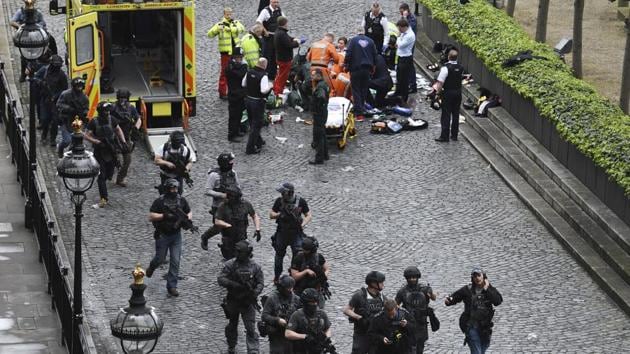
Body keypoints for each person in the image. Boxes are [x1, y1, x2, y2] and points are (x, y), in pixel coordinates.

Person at [145, 178, 192, 297]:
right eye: (172, 188)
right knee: (160, 259)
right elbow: (151, 216)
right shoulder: (159, 201)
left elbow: (189, 211)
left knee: (176, 260)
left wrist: (187, 219)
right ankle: (151, 267)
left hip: (176, 235)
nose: (174, 190)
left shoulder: (181, 200)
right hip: (163, 234)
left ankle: (172, 286)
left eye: (176, 188)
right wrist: (164, 216)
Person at [217, 240, 264, 354]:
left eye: (240, 252)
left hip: (248, 302)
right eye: (237, 252)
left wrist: (255, 292)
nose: (237, 254)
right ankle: (231, 345)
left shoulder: (255, 267)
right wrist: (233, 284)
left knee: (250, 327)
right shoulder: (230, 264)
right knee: (232, 325)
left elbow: (260, 283)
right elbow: (221, 279)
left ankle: (253, 350)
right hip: (233, 300)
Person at [445, 267, 503, 354]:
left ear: (484, 277)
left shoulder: (490, 289)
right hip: (471, 326)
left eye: (479, 275)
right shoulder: (467, 290)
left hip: (485, 327)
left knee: (483, 348)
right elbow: (454, 297)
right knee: (477, 351)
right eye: (474, 276)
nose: (477, 278)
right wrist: (449, 301)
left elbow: (497, 301)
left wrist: (487, 289)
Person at [84, 102, 127, 208]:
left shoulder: (112, 119)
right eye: (105, 111)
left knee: (109, 174)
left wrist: (123, 142)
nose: (107, 113)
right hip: (100, 151)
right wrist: (96, 141)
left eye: (108, 111)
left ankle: (107, 179)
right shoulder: (93, 122)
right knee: (101, 177)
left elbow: (118, 129)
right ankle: (104, 199)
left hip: (111, 150)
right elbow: (87, 135)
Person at [270, 182, 312, 282]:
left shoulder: (300, 201)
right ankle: (277, 277)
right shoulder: (279, 201)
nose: (281, 195)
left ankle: (293, 277)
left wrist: (302, 224)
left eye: (283, 192)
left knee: (297, 255)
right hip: (282, 232)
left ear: (288, 193)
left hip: (296, 233)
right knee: (279, 256)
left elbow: (308, 215)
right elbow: (271, 214)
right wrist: (279, 215)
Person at [201, 152, 241, 250]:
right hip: (218, 206)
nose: (232, 164)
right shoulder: (214, 175)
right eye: (230, 162)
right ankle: (205, 237)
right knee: (218, 227)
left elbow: (237, 186)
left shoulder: (233, 173)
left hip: (231, 205)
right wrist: (222, 195)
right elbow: (207, 190)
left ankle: (229, 246)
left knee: (232, 226)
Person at [10, 0, 57, 82]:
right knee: (23, 56)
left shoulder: (38, 13)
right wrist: (21, 27)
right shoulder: (20, 12)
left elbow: (43, 23)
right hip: (25, 36)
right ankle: (23, 74)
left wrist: (36, 27)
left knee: (50, 41)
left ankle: (53, 60)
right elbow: (12, 21)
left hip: (37, 35)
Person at [343, 271, 387, 354]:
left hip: (375, 334)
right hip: (361, 333)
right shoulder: (359, 295)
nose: (383, 284)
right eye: (381, 282)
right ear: (373, 283)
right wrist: (358, 317)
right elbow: (346, 310)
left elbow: (390, 308)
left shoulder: (381, 297)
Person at [395, 266, 437, 353]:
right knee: (411, 348)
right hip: (408, 323)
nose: (412, 279)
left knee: (420, 348)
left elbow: (434, 297)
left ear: (417, 277)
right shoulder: (402, 291)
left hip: (421, 324)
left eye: (414, 277)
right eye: (410, 278)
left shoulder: (424, 289)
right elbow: (395, 306)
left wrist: (431, 294)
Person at [207, 7, 246, 99]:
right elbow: (209, 34)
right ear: (224, 14)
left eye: (230, 14)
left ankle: (235, 90)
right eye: (227, 14)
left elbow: (242, 29)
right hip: (225, 53)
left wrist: (231, 30)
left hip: (236, 52)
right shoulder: (219, 24)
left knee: (238, 71)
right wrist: (217, 30)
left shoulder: (235, 23)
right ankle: (222, 92)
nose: (229, 16)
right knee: (224, 72)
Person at [214, 186, 261, 260]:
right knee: (229, 259)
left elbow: (254, 216)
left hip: (241, 236)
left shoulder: (245, 204)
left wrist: (257, 229)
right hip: (228, 237)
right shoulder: (223, 206)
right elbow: (217, 221)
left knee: (244, 257)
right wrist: (227, 225)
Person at [285, 288, 333, 354]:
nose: (314, 304)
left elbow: (328, 328)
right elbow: (288, 333)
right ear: (305, 303)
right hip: (302, 350)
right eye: (311, 302)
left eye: (315, 302)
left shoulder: (322, 314)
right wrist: (305, 336)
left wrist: (326, 338)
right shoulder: (297, 315)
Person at [261, 274, 301, 353]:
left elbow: (302, 314)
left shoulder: (296, 299)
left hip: (291, 333)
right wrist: (277, 320)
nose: (290, 290)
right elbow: (264, 316)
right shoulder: (272, 298)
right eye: (287, 288)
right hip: (276, 333)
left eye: (291, 287)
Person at [344, 28, 377, 122]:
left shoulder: (353, 41)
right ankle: (361, 108)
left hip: (355, 68)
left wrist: (346, 64)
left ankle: (359, 114)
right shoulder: (370, 41)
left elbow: (348, 54)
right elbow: (375, 55)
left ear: (356, 33)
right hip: (367, 69)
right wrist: (373, 67)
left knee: (356, 90)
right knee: (364, 89)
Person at [34, 54, 66, 147]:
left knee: (55, 121)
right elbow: (35, 77)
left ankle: (52, 138)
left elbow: (64, 89)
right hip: (45, 99)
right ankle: (44, 134)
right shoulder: (45, 70)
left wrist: (56, 96)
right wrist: (41, 82)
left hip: (56, 102)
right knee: (44, 119)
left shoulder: (61, 74)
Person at [431, 48, 463, 142]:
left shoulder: (445, 68)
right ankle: (454, 135)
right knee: (456, 114)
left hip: (448, 92)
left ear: (448, 57)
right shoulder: (461, 67)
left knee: (446, 114)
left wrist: (437, 93)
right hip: (458, 92)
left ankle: (444, 136)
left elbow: (440, 83)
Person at [110, 88, 140, 187]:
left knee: (127, 160)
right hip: (114, 138)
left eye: (125, 98)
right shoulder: (112, 108)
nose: (123, 100)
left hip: (126, 138)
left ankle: (120, 178)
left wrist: (136, 128)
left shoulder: (131, 108)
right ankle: (109, 173)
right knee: (113, 159)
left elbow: (138, 119)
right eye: (121, 98)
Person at [289, 236, 330, 308]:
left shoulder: (318, 257)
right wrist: (306, 271)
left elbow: (327, 269)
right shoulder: (299, 257)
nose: (304, 251)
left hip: (316, 290)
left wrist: (323, 276)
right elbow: (294, 276)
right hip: (301, 290)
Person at [242, 58, 272, 154]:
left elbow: (243, 84)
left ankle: (259, 141)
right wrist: (270, 86)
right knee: (256, 125)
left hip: (248, 100)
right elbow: (263, 90)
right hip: (258, 102)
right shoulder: (263, 76)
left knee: (252, 122)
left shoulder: (249, 72)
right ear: (264, 65)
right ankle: (250, 148)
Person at [56, 77, 89, 158]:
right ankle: (60, 149)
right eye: (78, 86)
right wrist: (69, 109)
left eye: (81, 86)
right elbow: (59, 104)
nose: (79, 88)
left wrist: (84, 113)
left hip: (77, 122)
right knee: (67, 140)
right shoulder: (66, 94)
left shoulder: (84, 97)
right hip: (65, 119)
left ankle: (69, 156)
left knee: (76, 141)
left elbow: (86, 108)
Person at [273, 16, 302, 104]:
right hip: (285, 59)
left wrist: (294, 39)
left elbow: (288, 39)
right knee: (283, 77)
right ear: (285, 24)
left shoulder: (279, 32)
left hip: (280, 58)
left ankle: (276, 89)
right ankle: (278, 93)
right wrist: (297, 43)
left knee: (279, 75)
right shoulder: (282, 34)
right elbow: (289, 45)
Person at [256, 0, 284, 81]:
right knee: (267, 55)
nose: (276, 4)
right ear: (270, 2)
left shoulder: (279, 11)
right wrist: (264, 30)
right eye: (274, 2)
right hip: (268, 38)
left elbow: (284, 20)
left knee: (276, 56)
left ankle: (273, 75)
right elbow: (258, 22)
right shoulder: (265, 11)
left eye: (277, 2)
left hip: (277, 37)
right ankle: (265, 75)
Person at [225, 47, 248, 142]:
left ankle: (237, 130)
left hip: (240, 94)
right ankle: (232, 134)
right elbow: (239, 74)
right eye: (239, 57)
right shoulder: (230, 67)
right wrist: (241, 67)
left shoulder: (234, 66)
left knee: (239, 114)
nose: (241, 59)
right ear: (235, 57)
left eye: (241, 57)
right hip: (234, 94)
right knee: (234, 115)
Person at [309, 69, 330, 165]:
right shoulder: (324, 84)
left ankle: (319, 158)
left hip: (319, 113)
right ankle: (325, 154)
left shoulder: (320, 87)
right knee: (323, 134)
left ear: (318, 76)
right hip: (323, 112)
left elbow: (321, 97)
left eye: (313, 75)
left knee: (318, 136)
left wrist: (317, 106)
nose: (312, 77)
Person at [393, 19, 415, 105]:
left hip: (406, 58)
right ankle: (398, 93)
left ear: (404, 27)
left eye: (400, 29)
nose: (399, 31)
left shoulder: (409, 35)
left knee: (404, 79)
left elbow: (400, 45)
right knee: (399, 76)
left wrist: (398, 38)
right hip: (401, 57)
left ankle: (404, 97)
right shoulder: (404, 33)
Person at [399, 2, 418, 93]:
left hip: (409, 45)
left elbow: (407, 27)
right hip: (404, 45)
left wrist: (405, 18)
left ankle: (412, 84)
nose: (401, 14)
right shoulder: (404, 17)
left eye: (402, 12)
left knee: (410, 66)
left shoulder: (412, 19)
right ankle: (408, 83)